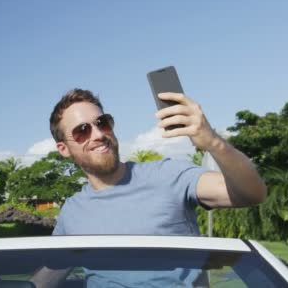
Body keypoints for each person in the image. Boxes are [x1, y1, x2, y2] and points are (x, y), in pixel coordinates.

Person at [42, 88, 267, 288]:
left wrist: (212, 142)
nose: (99, 134)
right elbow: (51, 272)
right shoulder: (72, 211)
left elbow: (252, 193)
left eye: (102, 123)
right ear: (63, 149)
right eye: (82, 131)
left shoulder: (167, 175)